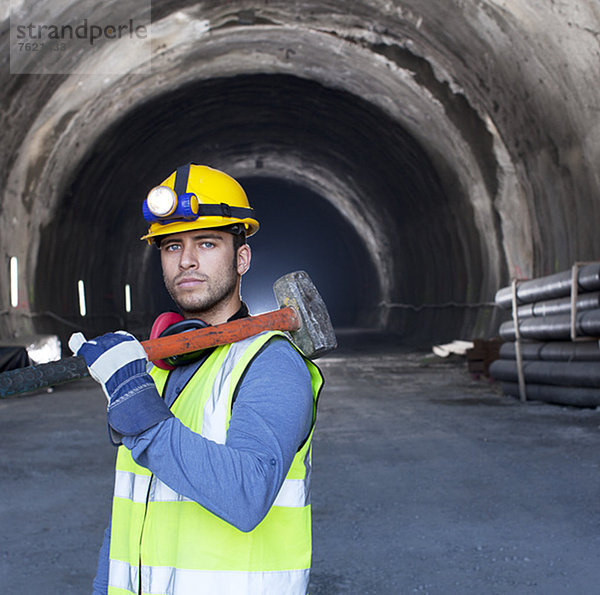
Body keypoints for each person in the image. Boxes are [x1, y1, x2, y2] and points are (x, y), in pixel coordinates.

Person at [69, 164, 324, 595]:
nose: (186, 260)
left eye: (207, 243)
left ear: (241, 258)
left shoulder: (272, 364)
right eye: (171, 247)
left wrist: (139, 412)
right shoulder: (155, 369)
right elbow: (132, 513)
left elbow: (247, 494)